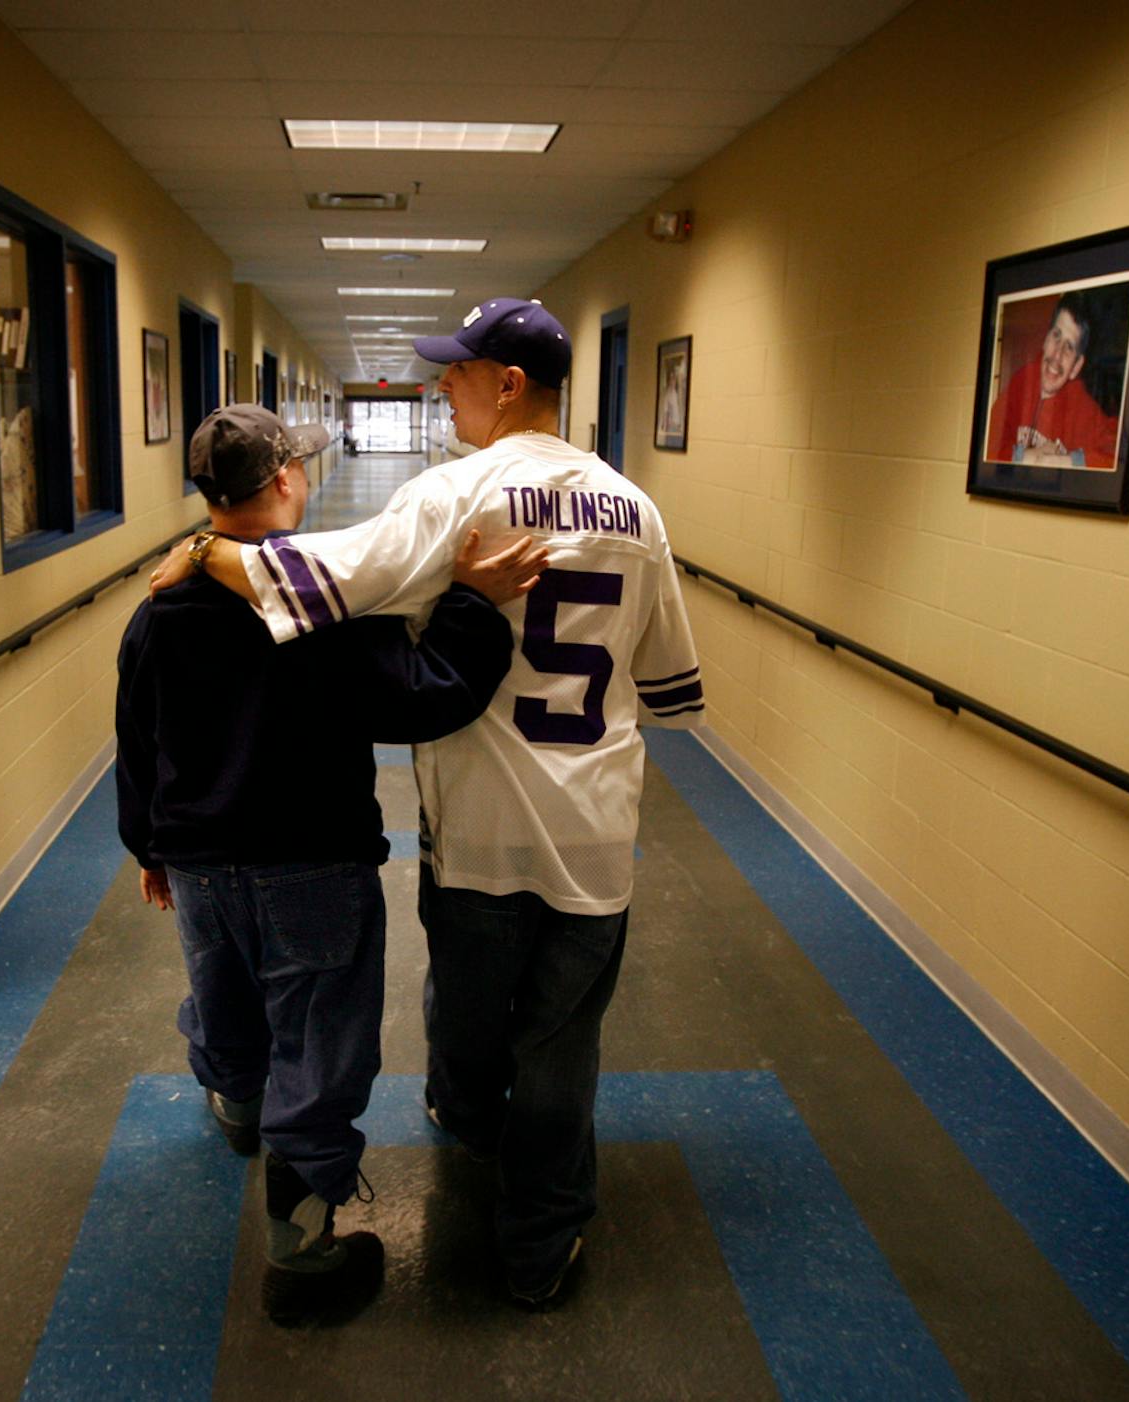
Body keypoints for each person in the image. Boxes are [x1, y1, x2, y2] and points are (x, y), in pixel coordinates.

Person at [149, 298, 704, 1309]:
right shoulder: (639, 509)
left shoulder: (459, 493)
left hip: (484, 830)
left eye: (458, 369)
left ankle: (462, 1111)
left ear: (508, 384)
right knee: (562, 1047)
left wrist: (202, 552)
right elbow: (671, 688)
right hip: (594, 837)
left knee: (470, 1013)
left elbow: (318, 579)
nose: (441, 383)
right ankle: (539, 1247)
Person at [115, 403, 540, 1327]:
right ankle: (302, 1256)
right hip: (311, 867)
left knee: (220, 989)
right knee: (318, 1040)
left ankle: (234, 1104)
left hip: (196, 865)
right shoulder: (327, 610)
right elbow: (427, 700)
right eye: (298, 467)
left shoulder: (159, 608)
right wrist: (473, 605)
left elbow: (138, 741)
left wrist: (149, 845)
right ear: (282, 483)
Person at [983, 293, 1120, 469]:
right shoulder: (1021, 382)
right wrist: (1024, 457)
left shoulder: (1082, 407)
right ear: (1046, 339)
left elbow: (1118, 453)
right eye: (1056, 335)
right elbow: (987, 447)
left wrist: (1066, 461)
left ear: (1076, 366)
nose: (1057, 354)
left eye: (1069, 347)